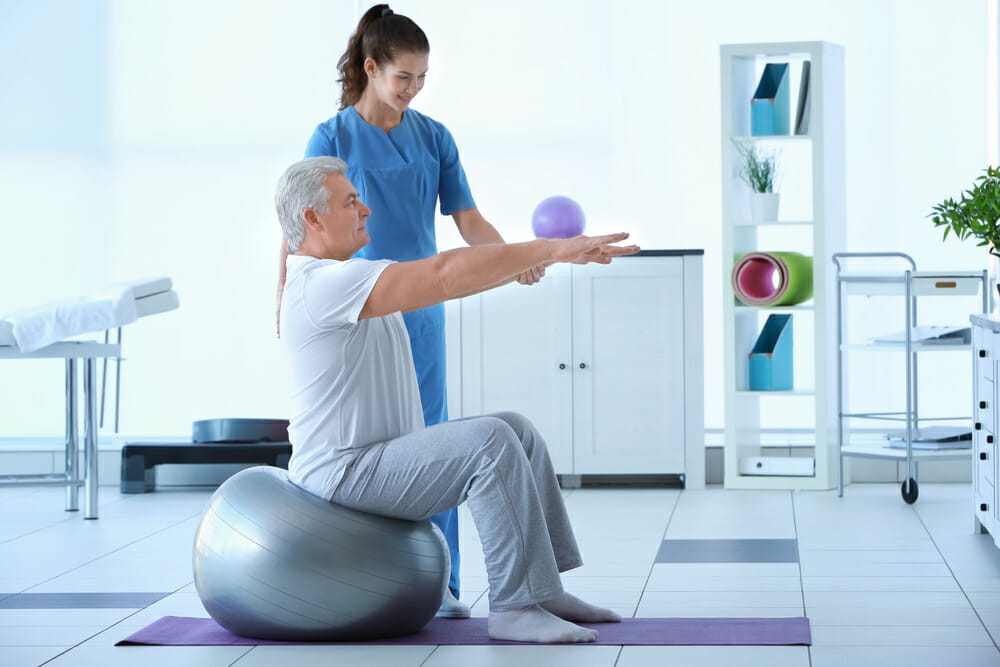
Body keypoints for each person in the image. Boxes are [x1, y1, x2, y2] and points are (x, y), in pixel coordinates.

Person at [275, 156, 637, 643]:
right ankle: (514, 607)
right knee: (489, 441)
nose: (365, 209)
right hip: (342, 473)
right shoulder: (320, 285)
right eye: (350, 201)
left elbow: (453, 284)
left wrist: (544, 258)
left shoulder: (347, 278)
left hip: (376, 459)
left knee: (515, 429)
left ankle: (544, 590)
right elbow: (444, 273)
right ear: (312, 219)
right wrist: (550, 246)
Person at [276, 4, 538, 616]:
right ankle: (368, 575)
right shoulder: (333, 137)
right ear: (371, 68)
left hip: (420, 309)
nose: (413, 89)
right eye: (403, 78)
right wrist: (284, 302)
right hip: (355, 310)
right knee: (373, 445)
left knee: (433, 441)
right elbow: (297, 225)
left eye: (422, 78)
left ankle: (440, 586)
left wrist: (510, 258)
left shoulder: (434, 137)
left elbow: (467, 219)